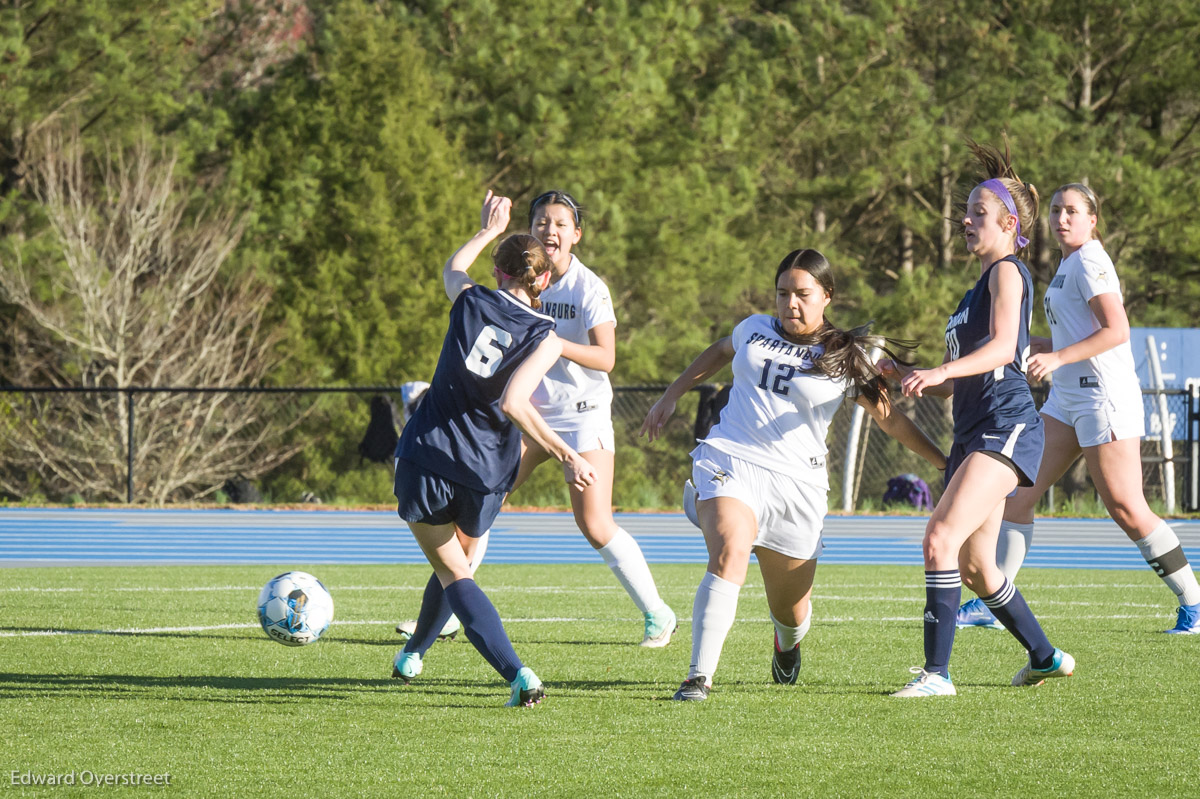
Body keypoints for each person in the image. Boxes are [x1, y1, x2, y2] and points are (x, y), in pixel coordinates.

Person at [640, 248, 947, 701]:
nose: (790, 304)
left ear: (827, 296)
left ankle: (787, 641)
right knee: (730, 546)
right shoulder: (754, 328)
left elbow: (890, 420)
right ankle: (697, 677)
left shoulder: (847, 356)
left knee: (791, 610)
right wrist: (672, 394)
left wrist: (943, 461)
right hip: (731, 458)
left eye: (802, 294)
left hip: (797, 487)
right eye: (782, 293)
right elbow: (721, 350)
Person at [397, 190, 676, 651]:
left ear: (576, 235)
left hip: (581, 416)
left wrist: (548, 341)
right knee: (475, 514)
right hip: (527, 416)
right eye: (542, 222)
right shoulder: (520, 285)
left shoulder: (589, 288)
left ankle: (657, 614)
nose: (551, 230)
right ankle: (449, 613)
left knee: (595, 523)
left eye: (561, 224)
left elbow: (606, 357)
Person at [955, 182, 1200, 634]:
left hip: (1101, 396)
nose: (1061, 218)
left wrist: (1056, 357)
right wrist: (1043, 348)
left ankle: (1194, 601)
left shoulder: (1090, 260)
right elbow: (1075, 335)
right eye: (1054, 210)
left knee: (1126, 507)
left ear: (1092, 219)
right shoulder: (1070, 264)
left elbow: (1117, 330)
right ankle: (995, 601)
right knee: (1018, 495)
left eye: (1071, 211)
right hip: (1068, 397)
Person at [390, 190, 597, 707]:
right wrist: (567, 454)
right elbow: (514, 403)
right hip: (485, 470)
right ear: (543, 280)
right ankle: (414, 651)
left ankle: (518, 673)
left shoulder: (470, 299)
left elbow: (454, 266)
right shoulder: (547, 335)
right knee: (456, 565)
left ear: (499, 272)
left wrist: (486, 228)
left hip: (430, 452)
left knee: (452, 570)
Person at [884, 141, 1075, 697]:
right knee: (977, 569)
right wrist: (907, 373)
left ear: (1009, 223)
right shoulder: (975, 289)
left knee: (939, 537)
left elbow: (1000, 354)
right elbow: (967, 373)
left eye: (978, 214)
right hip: (975, 432)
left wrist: (941, 372)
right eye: (966, 212)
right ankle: (1045, 656)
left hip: (1005, 427)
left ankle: (937, 676)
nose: (966, 221)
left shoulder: (1008, 274)